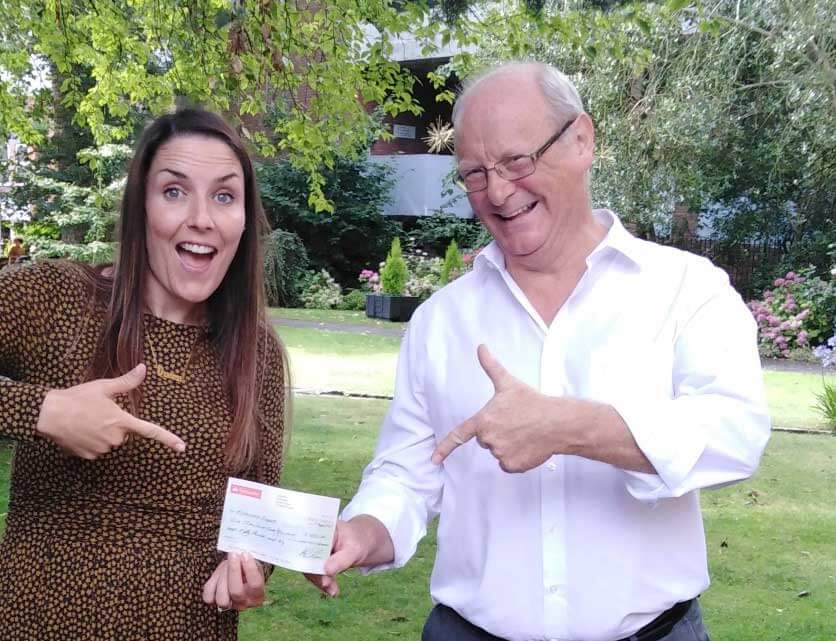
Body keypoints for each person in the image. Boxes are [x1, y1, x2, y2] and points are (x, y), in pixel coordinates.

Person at [307, 62, 770, 641]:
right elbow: (407, 472)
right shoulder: (440, 321)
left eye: (517, 161)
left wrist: (567, 426)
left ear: (582, 140)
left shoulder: (686, 288)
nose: (498, 192)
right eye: (475, 174)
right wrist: (363, 530)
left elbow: (735, 433)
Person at [0, 108, 290, 641]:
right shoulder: (55, 297)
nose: (202, 218)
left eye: (224, 196)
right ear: (140, 207)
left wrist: (250, 571)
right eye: (174, 191)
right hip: (34, 621)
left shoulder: (255, 350)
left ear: (244, 219)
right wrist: (43, 411)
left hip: (189, 627)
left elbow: (260, 513)